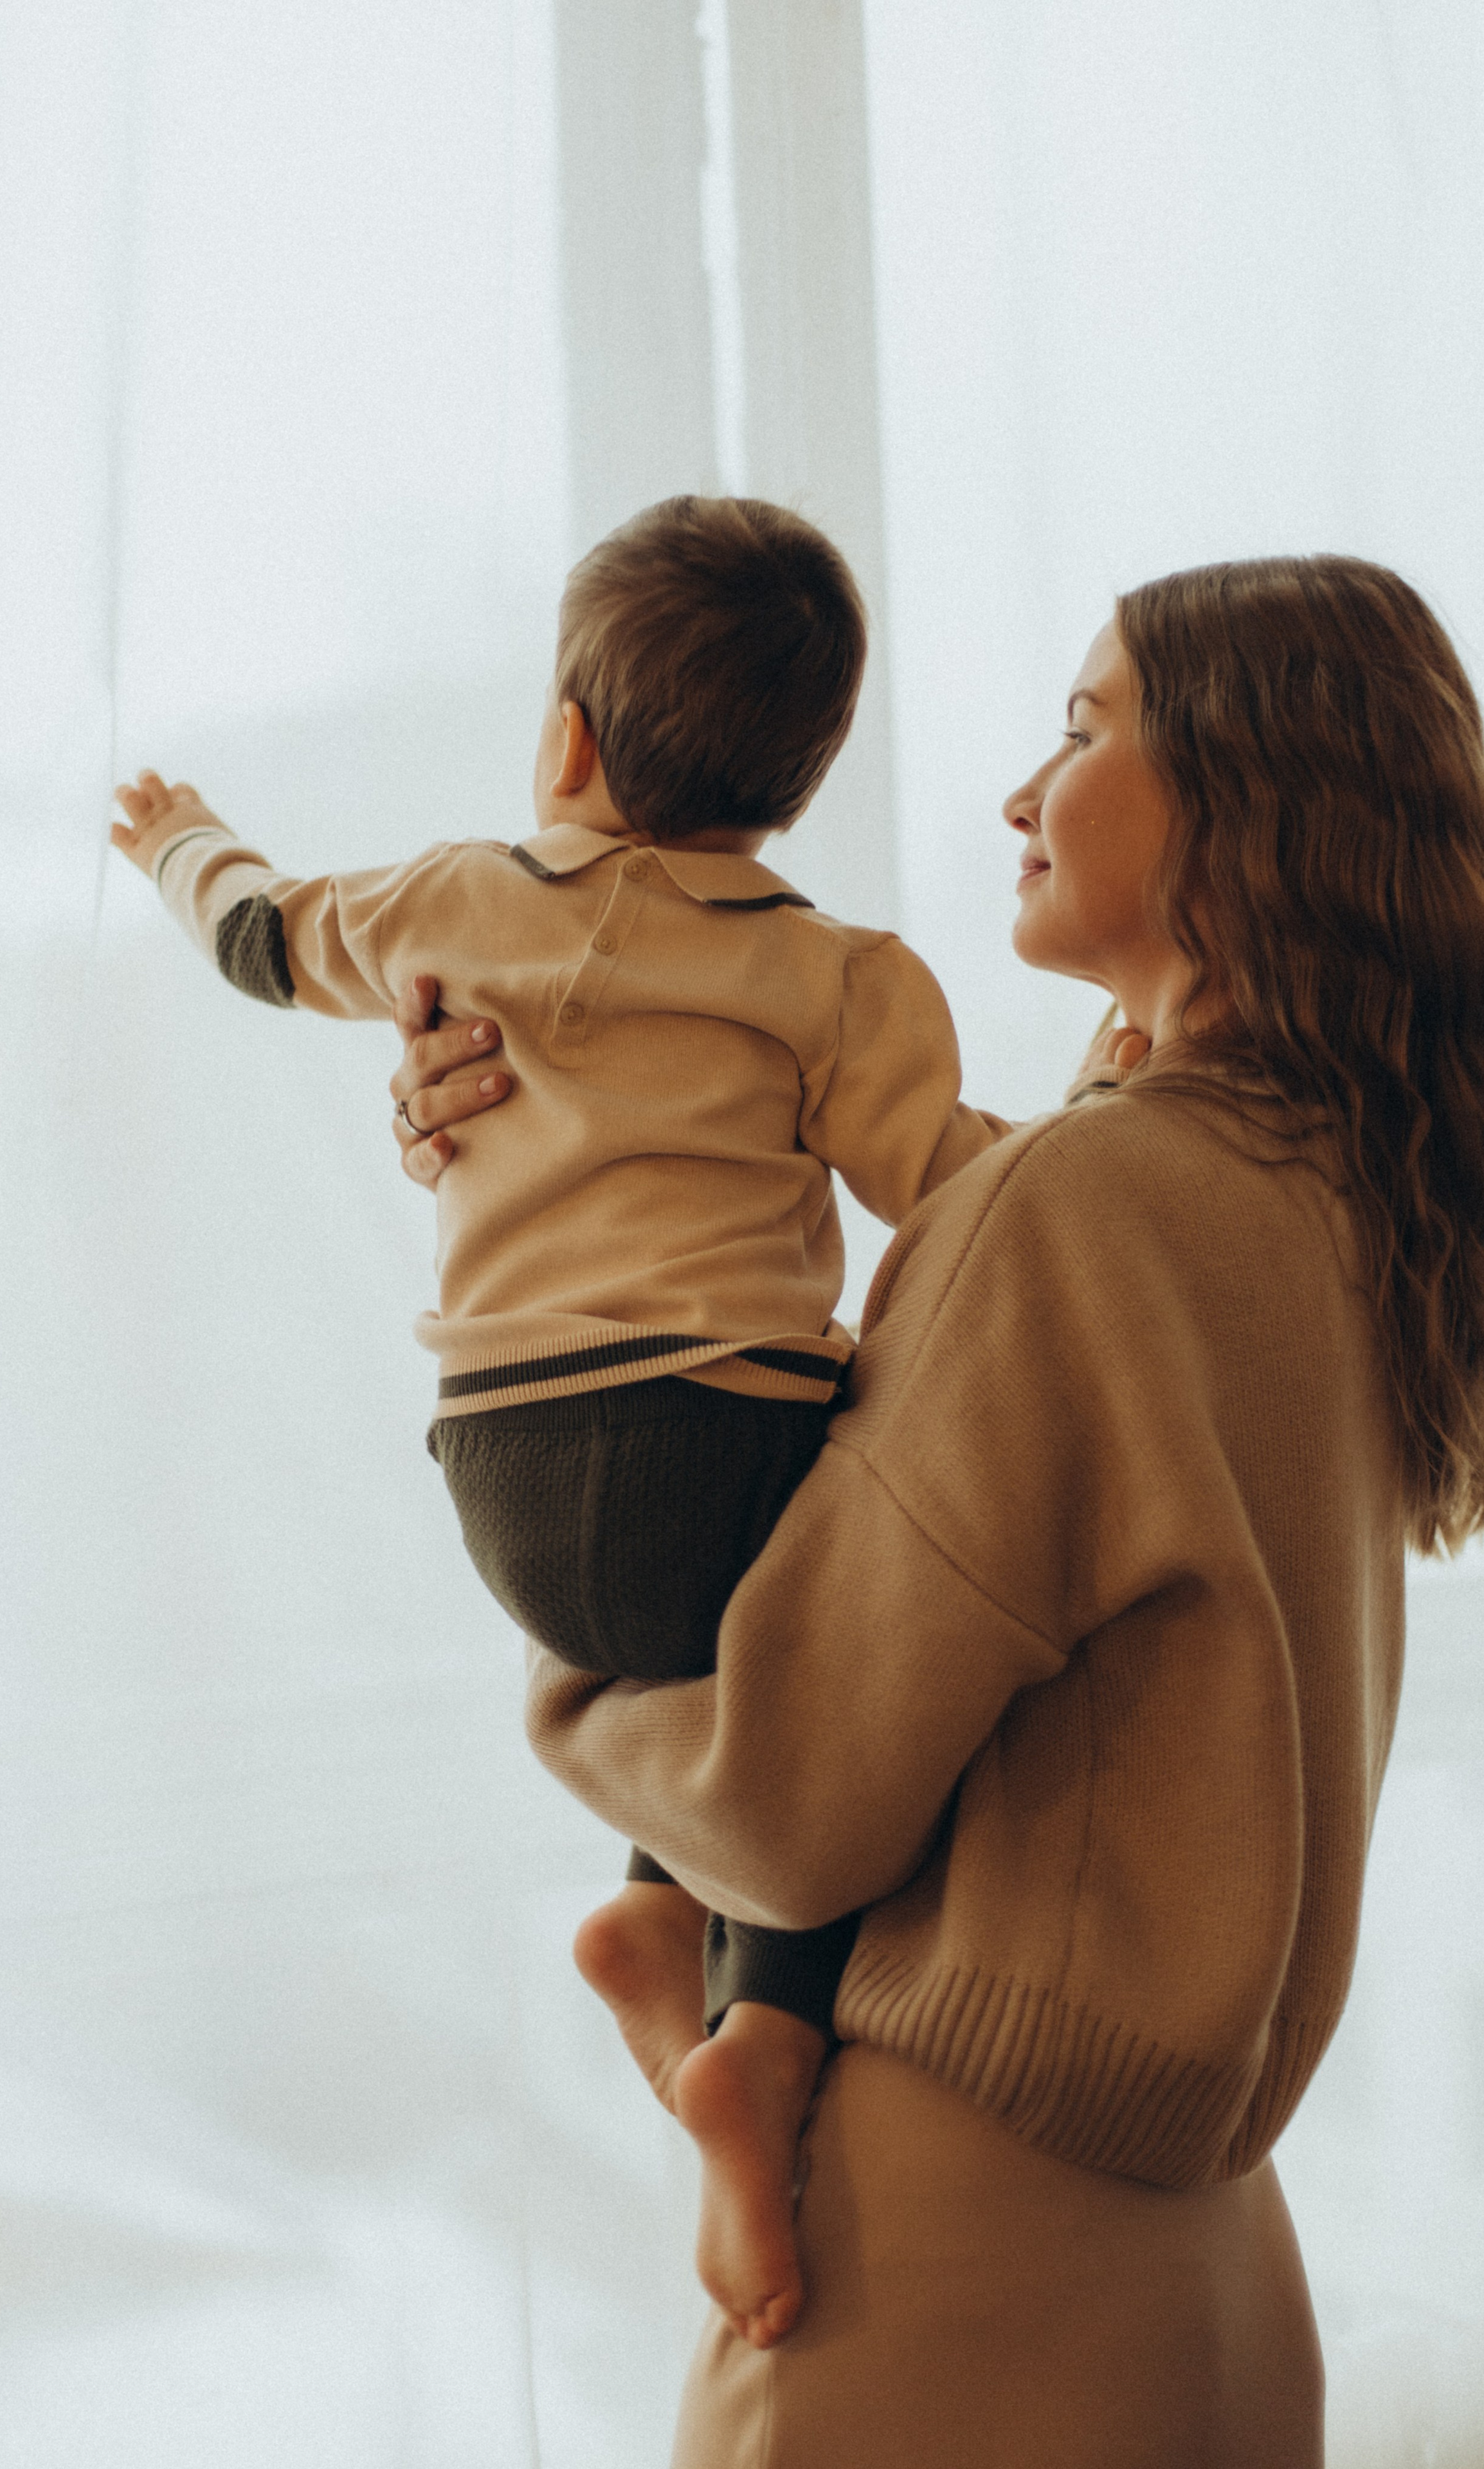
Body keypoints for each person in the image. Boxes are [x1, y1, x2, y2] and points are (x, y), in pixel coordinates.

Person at [388, 553, 1484, 2464]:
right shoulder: (1355, 1207)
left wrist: (574, 1678)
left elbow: (783, 1803)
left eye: (1083, 730)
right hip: (1218, 2280)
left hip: (943, 2263)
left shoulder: (1087, 1214)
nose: (1020, 794)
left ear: (1248, 787)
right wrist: (557, 1130)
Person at [110, 494, 1031, 2348]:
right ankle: (756, 2034)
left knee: (708, 1673)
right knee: (831, 1688)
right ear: (803, 777)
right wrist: (1104, 1141)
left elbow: (259, 942)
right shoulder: (837, 976)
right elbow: (962, 1192)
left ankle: (643, 1917)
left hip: (507, 1470)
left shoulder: (455, 904)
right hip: (729, 1442)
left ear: (567, 742)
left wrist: (181, 839)